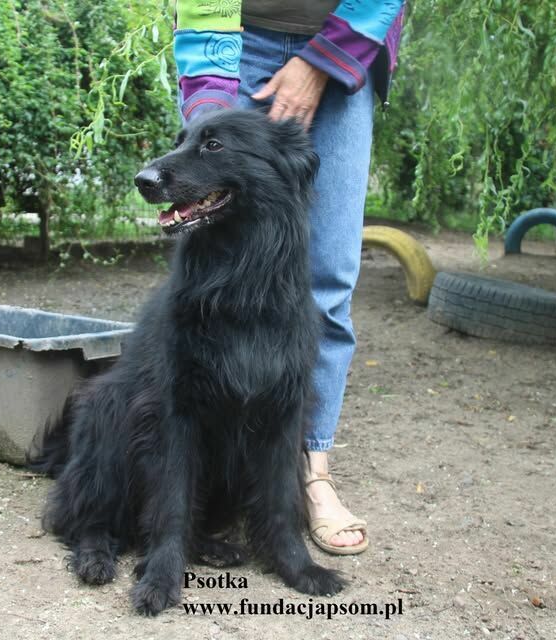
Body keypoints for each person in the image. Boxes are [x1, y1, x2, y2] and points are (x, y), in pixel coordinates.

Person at [172, 0, 405, 554]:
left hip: (347, 47)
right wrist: (209, 110)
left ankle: (310, 472)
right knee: (213, 281)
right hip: (230, 41)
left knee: (327, 281)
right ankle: (203, 473)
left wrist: (323, 61)